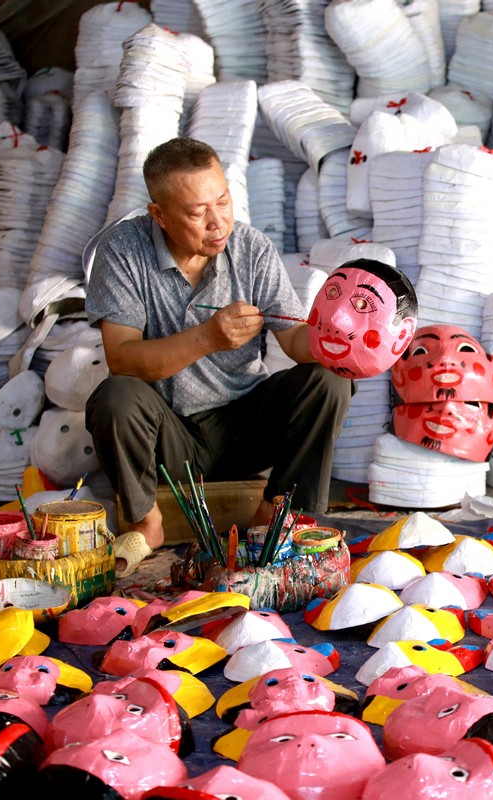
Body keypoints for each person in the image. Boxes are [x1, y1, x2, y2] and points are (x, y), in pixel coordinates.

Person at [85, 137, 353, 575]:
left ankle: (276, 513)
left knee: (329, 379)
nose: (218, 223)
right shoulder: (122, 251)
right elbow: (123, 359)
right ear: (159, 215)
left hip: (243, 427)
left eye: (223, 202)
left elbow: (294, 341)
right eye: (197, 212)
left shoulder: (250, 249)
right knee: (115, 396)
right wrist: (206, 337)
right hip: (168, 435)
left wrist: (341, 340)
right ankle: (144, 521)